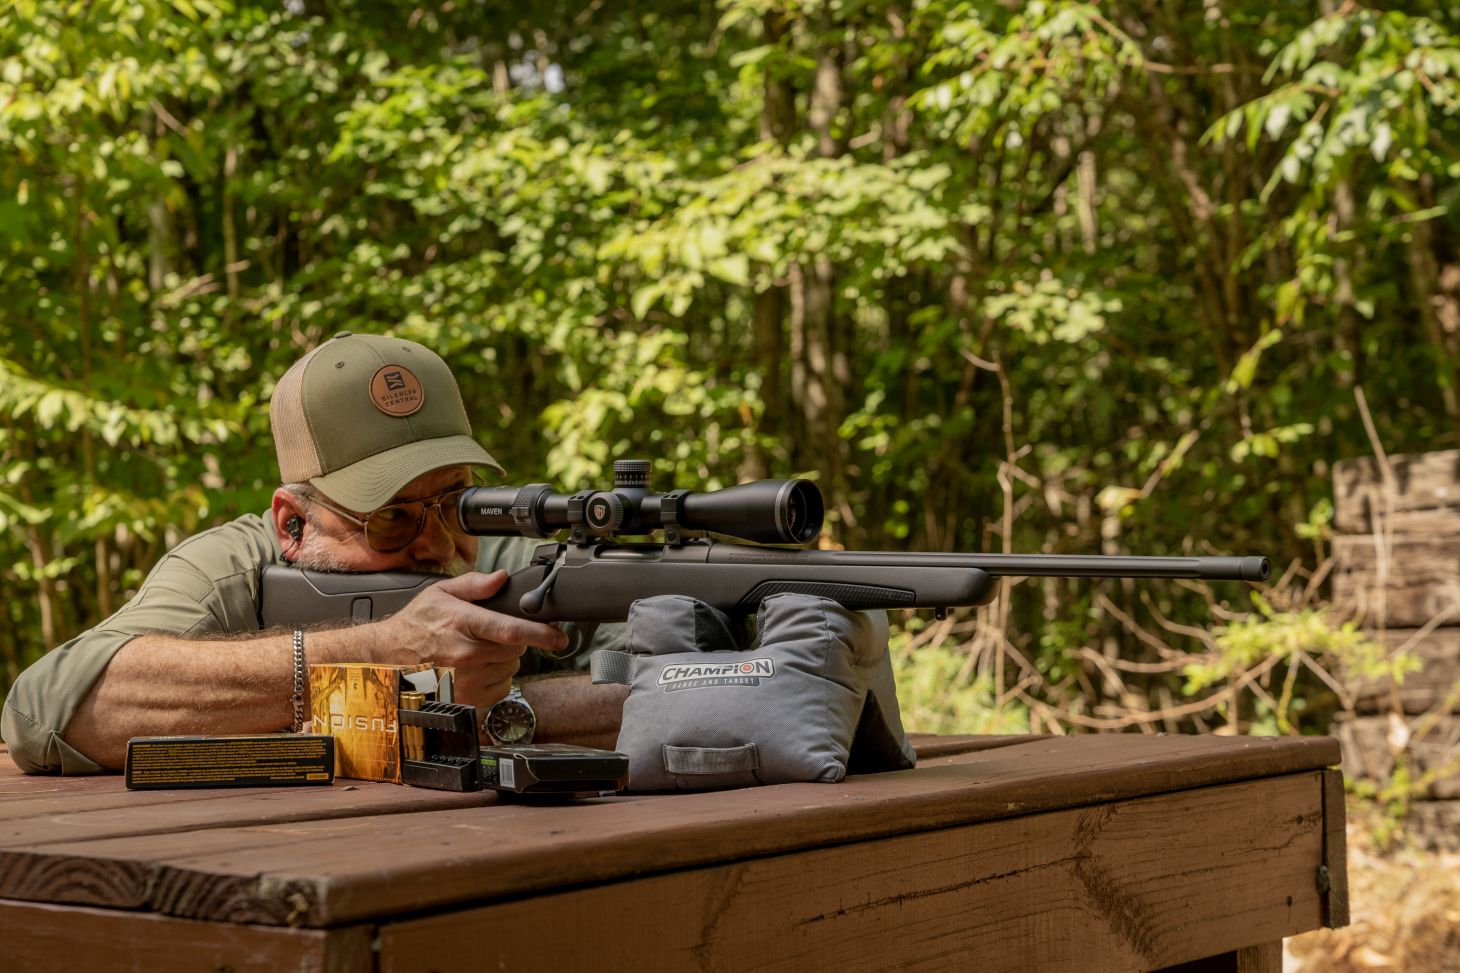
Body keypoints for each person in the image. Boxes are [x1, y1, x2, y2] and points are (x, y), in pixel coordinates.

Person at [1, 332, 627, 774]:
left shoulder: (513, 566)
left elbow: (672, 690)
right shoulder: (231, 570)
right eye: (391, 519)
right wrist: (382, 660)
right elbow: (45, 709)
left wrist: (483, 710)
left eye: (455, 503)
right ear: (293, 523)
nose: (437, 544)